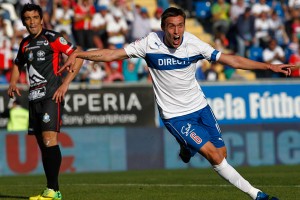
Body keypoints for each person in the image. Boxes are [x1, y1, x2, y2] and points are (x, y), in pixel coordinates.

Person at [60, 7, 293, 200]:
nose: (176, 31)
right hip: (175, 116)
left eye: (180, 25)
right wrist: (80, 54)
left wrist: (268, 66)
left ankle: (186, 148)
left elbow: (230, 59)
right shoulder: (150, 43)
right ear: (163, 28)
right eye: (171, 26)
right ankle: (257, 195)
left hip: (200, 107)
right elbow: (112, 54)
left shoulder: (193, 44)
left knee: (222, 152)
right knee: (215, 156)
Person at [7, 3, 83, 200]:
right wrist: (13, 82)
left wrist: (65, 84)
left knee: (50, 141)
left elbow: (79, 56)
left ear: (42, 19)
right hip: (34, 99)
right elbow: (17, 64)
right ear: (23, 22)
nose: (32, 22)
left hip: (51, 96)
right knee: (43, 145)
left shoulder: (53, 38)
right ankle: (50, 189)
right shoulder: (24, 43)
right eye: (27, 18)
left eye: (35, 17)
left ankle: (54, 191)